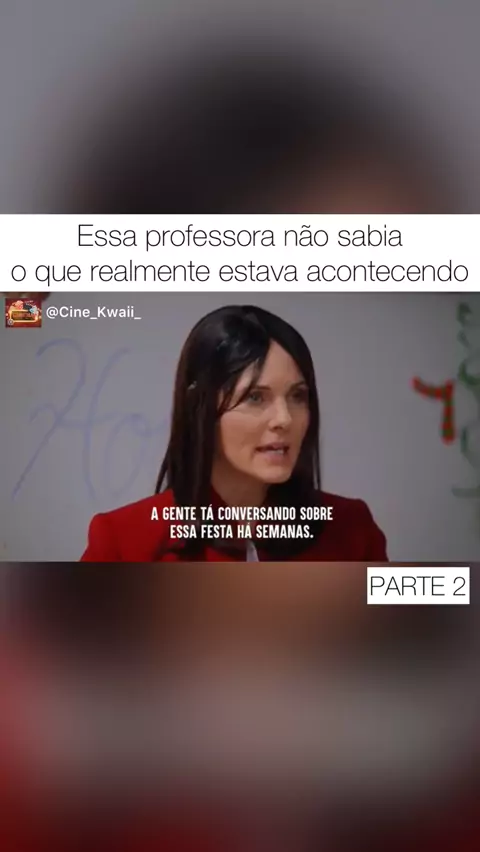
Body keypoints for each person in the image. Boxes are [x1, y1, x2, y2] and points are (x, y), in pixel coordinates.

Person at [81, 305, 387, 562]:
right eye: (255, 397)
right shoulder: (123, 541)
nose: (284, 419)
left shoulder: (352, 529)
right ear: (200, 410)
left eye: (297, 396)